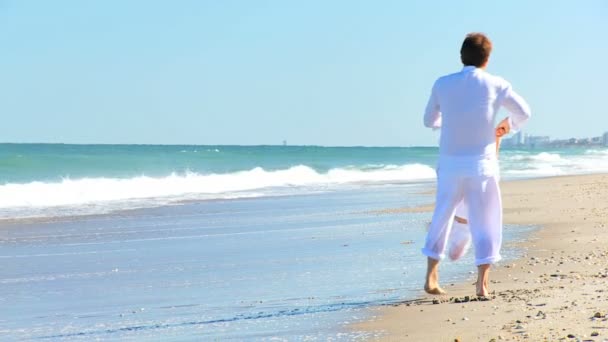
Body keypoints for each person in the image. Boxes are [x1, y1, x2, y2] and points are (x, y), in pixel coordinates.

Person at [422, 33, 531, 296]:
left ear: (461, 56)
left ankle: (431, 277)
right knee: (486, 220)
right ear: (487, 59)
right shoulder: (496, 84)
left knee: (442, 216)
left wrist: (448, 123)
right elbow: (524, 112)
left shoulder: (442, 84)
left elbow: (429, 120)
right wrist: (505, 127)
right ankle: (482, 285)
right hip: (482, 165)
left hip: (449, 164)